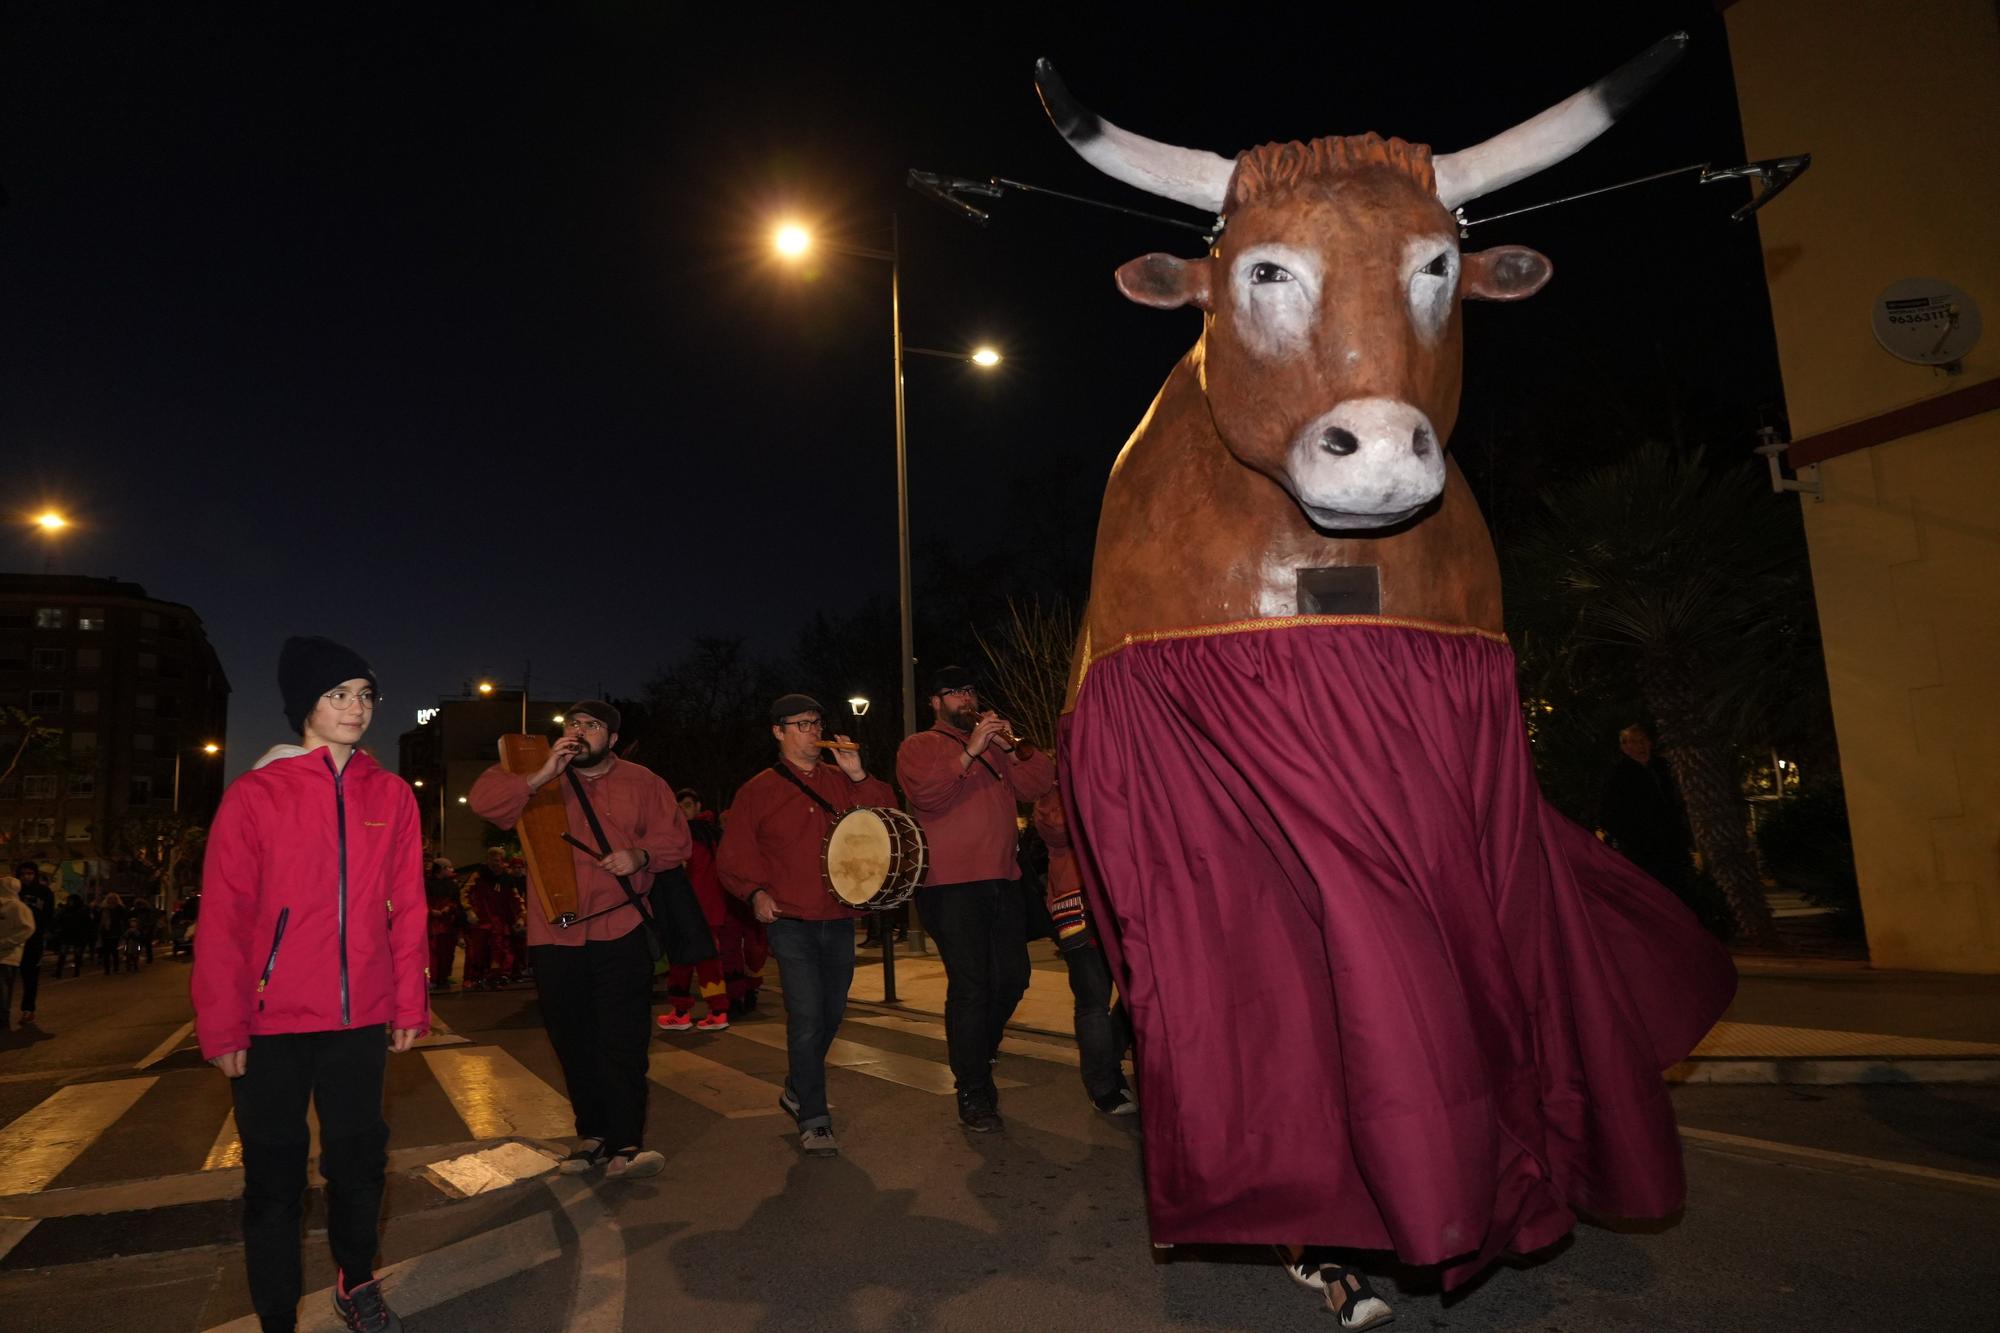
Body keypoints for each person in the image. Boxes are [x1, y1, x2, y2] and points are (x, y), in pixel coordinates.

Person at [191, 635, 428, 1333]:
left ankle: (356, 1281)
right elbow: (225, 914)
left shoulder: (389, 795)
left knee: (359, 1165)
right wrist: (223, 1023)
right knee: (273, 1180)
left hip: (358, 1021)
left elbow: (408, 904)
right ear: (305, 707)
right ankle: (275, 1315)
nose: (356, 707)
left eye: (364, 694)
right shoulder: (256, 794)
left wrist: (410, 999)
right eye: (338, 694)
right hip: (269, 1024)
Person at [469, 700, 690, 1181]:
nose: (580, 731)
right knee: (571, 1039)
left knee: (622, 1040)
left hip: (622, 928)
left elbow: (677, 840)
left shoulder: (644, 782)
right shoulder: (538, 772)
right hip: (555, 932)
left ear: (612, 739)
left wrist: (641, 855)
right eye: (573, 724)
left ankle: (627, 1142)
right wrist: (540, 774)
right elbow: (485, 802)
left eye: (592, 725)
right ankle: (592, 1136)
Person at [716, 693, 894, 1158]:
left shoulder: (842, 780)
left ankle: (797, 1085)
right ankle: (814, 1118)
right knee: (808, 1016)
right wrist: (755, 892)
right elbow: (734, 853)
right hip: (790, 919)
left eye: (817, 722)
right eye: (801, 724)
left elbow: (885, 819)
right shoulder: (757, 789)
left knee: (832, 1013)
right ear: (778, 731)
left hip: (838, 917)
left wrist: (858, 773)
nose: (814, 731)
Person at [896, 666, 1055, 1133]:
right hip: (950, 886)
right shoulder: (919, 746)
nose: (965, 699)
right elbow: (928, 795)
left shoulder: (994, 748)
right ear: (935, 702)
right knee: (971, 986)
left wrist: (1014, 746)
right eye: (954, 693)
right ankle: (973, 1088)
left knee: (1014, 977)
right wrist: (971, 750)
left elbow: (1038, 785)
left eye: (969, 690)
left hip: (1004, 880)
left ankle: (977, 1049)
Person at [1033, 783, 1136, 1116]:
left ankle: (1110, 1059)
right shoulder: (1055, 790)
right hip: (1077, 904)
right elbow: (1057, 830)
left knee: (1141, 990)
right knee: (1093, 1000)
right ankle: (1103, 1085)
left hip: (1122, 899)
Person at [657, 790, 731, 1032]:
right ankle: (714, 1011)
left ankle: (685, 1012)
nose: (682, 810)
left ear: (698, 806)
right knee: (703, 960)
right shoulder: (713, 833)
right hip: (710, 907)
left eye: (687, 805)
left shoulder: (688, 835)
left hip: (692, 908)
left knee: (684, 960)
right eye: (678, 806)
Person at [1599, 723, 1694, 898]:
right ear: (1625, 747)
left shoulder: (1662, 767)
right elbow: (1611, 812)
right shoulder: (1619, 775)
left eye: (1643, 741)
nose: (1640, 746)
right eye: (1634, 742)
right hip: (1643, 849)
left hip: (1673, 844)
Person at [458, 849, 513, 990]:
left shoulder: (505, 878)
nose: (495, 863)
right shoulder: (478, 875)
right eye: (492, 859)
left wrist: (520, 917)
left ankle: (493, 978)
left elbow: (515, 899)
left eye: (498, 860)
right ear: (487, 860)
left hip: (498, 922)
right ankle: (472, 978)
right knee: (476, 951)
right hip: (480, 920)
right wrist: (469, 911)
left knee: (497, 950)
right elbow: (464, 893)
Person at [13, 861, 54, 1024]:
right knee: (6, 978)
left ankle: (28, 1009)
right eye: (23, 874)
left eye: (29, 874)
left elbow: (48, 914)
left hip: (34, 940)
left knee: (30, 976)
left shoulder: (44, 892)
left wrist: (44, 933)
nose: (26, 877)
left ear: (35, 874)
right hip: (13, 939)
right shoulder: (14, 892)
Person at [0, 875, 36, 1029]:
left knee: (2, 989)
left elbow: (27, 929)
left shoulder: (18, 907)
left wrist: (6, 943)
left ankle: (2, 1020)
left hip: (7, 956)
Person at [424, 858, 463, 990]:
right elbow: (421, 900)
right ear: (441, 869)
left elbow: (456, 902)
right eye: (449, 868)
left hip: (448, 923)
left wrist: (449, 908)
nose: (452, 870)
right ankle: (433, 978)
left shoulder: (452, 885)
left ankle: (443, 977)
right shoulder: (427, 884)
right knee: (433, 952)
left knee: (447, 952)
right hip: (433, 923)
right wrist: (430, 910)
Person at [55, 893, 93, 977]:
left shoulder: (83, 910)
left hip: (78, 934)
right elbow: (59, 919)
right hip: (67, 934)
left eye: (71, 901)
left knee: (77, 954)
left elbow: (87, 922)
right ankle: (59, 971)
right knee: (63, 953)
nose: (70, 902)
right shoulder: (65, 910)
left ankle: (76, 971)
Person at [97, 892, 130, 975]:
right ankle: (107, 969)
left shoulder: (120, 909)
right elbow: (98, 920)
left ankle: (115, 967)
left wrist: (125, 930)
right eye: (110, 899)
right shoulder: (103, 909)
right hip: (105, 932)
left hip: (115, 931)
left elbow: (124, 920)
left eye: (113, 899)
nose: (111, 900)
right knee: (106, 951)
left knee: (114, 950)